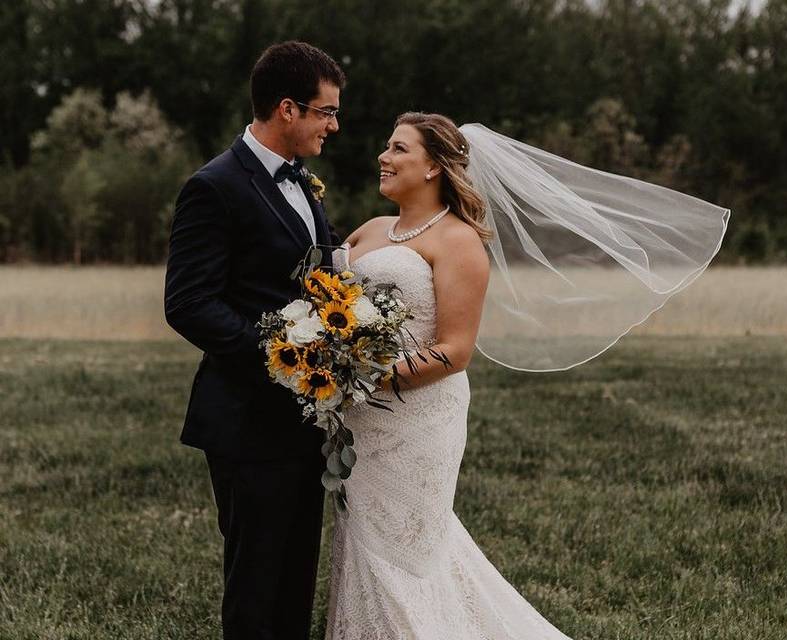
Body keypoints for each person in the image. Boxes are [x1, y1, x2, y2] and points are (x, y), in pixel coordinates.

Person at [324, 112, 575, 638]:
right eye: (386, 147)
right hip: (358, 424)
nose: (382, 157)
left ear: (434, 165)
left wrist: (361, 379)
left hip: (417, 419)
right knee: (361, 539)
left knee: (406, 548)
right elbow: (328, 301)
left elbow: (455, 351)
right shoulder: (370, 230)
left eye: (397, 149)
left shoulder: (459, 241)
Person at [164, 41, 344, 640]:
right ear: (288, 109)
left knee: (294, 583)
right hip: (245, 420)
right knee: (256, 589)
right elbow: (189, 304)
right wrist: (282, 355)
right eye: (326, 112)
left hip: (302, 421)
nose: (334, 125)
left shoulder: (303, 184)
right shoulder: (214, 187)